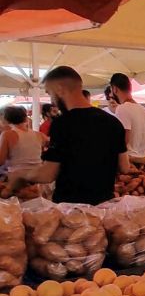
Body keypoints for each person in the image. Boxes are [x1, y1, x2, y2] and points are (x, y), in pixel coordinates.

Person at [9, 66, 129, 205]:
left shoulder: (62, 124)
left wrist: (20, 174)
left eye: (50, 93)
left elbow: (48, 174)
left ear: (60, 89)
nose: (52, 100)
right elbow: (124, 167)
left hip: (70, 209)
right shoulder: (113, 122)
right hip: (103, 208)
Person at [110, 72, 145, 159]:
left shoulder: (122, 108)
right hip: (144, 159)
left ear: (115, 89)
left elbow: (123, 140)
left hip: (129, 162)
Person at [0, 105, 47, 175]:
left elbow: (1, 161)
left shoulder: (7, 135)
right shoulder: (39, 135)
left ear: (5, 119)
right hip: (37, 174)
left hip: (17, 177)